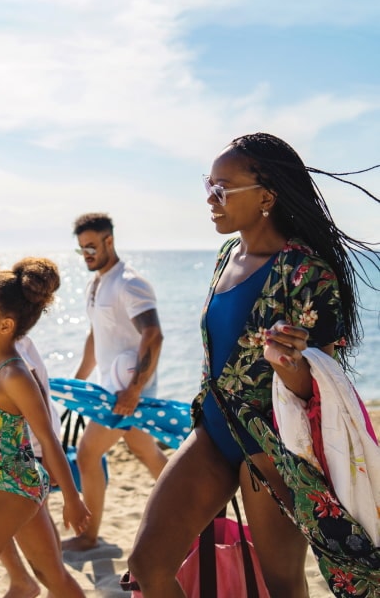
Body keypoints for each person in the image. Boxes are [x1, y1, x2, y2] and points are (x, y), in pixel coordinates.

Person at [128, 133, 380, 597]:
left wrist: (290, 366)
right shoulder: (228, 256)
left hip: (270, 449)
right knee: (148, 565)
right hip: (213, 431)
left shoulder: (308, 272)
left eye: (222, 188)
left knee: (283, 585)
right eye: (209, 184)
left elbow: (323, 391)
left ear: (266, 197)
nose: (209, 197)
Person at [0, 257, 91, 598]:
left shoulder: (14, 373)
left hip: (15, 486)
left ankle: (23, 585)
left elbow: (47, 437)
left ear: (6, 325)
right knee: (50, 573)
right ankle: (27, 585)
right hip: (8, 482)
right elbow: (2, 417)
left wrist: (72, 498)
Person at [62, 213, 168, 551]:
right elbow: (97, 337)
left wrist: (134, 389)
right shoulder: (97, 284)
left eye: (92, 246)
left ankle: (88, 535)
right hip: (113, 388)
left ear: (110, 240)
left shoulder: (129, 282)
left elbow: (153, 334)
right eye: (82, 249)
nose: (87, 255)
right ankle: (198, 508)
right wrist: (78, 383)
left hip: (126, 392)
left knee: (86, 454)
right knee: (145, 451)